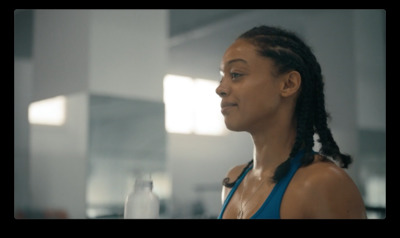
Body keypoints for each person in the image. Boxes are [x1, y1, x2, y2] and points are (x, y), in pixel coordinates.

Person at [216, 25, 367, 219]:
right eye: (222, 77)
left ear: (288, 84)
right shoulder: (233, 181)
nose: (220, 88)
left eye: (236, 74)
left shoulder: (322, 183)